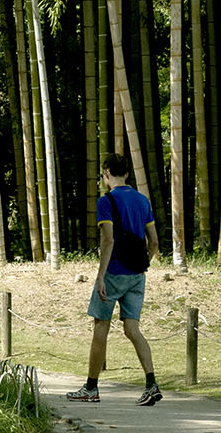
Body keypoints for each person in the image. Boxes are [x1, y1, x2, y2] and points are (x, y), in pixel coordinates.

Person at [66, 154, 163, 407]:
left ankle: (91, 387)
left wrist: (100, 276)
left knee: (101, 328)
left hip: (113, 273)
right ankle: (151, 382)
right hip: (137, 276)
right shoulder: (143, 201)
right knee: (132, 329)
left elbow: (108, 240)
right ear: (128, 174)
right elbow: (153, 242)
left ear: (106, 173)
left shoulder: (106, 201)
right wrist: (144, 264)